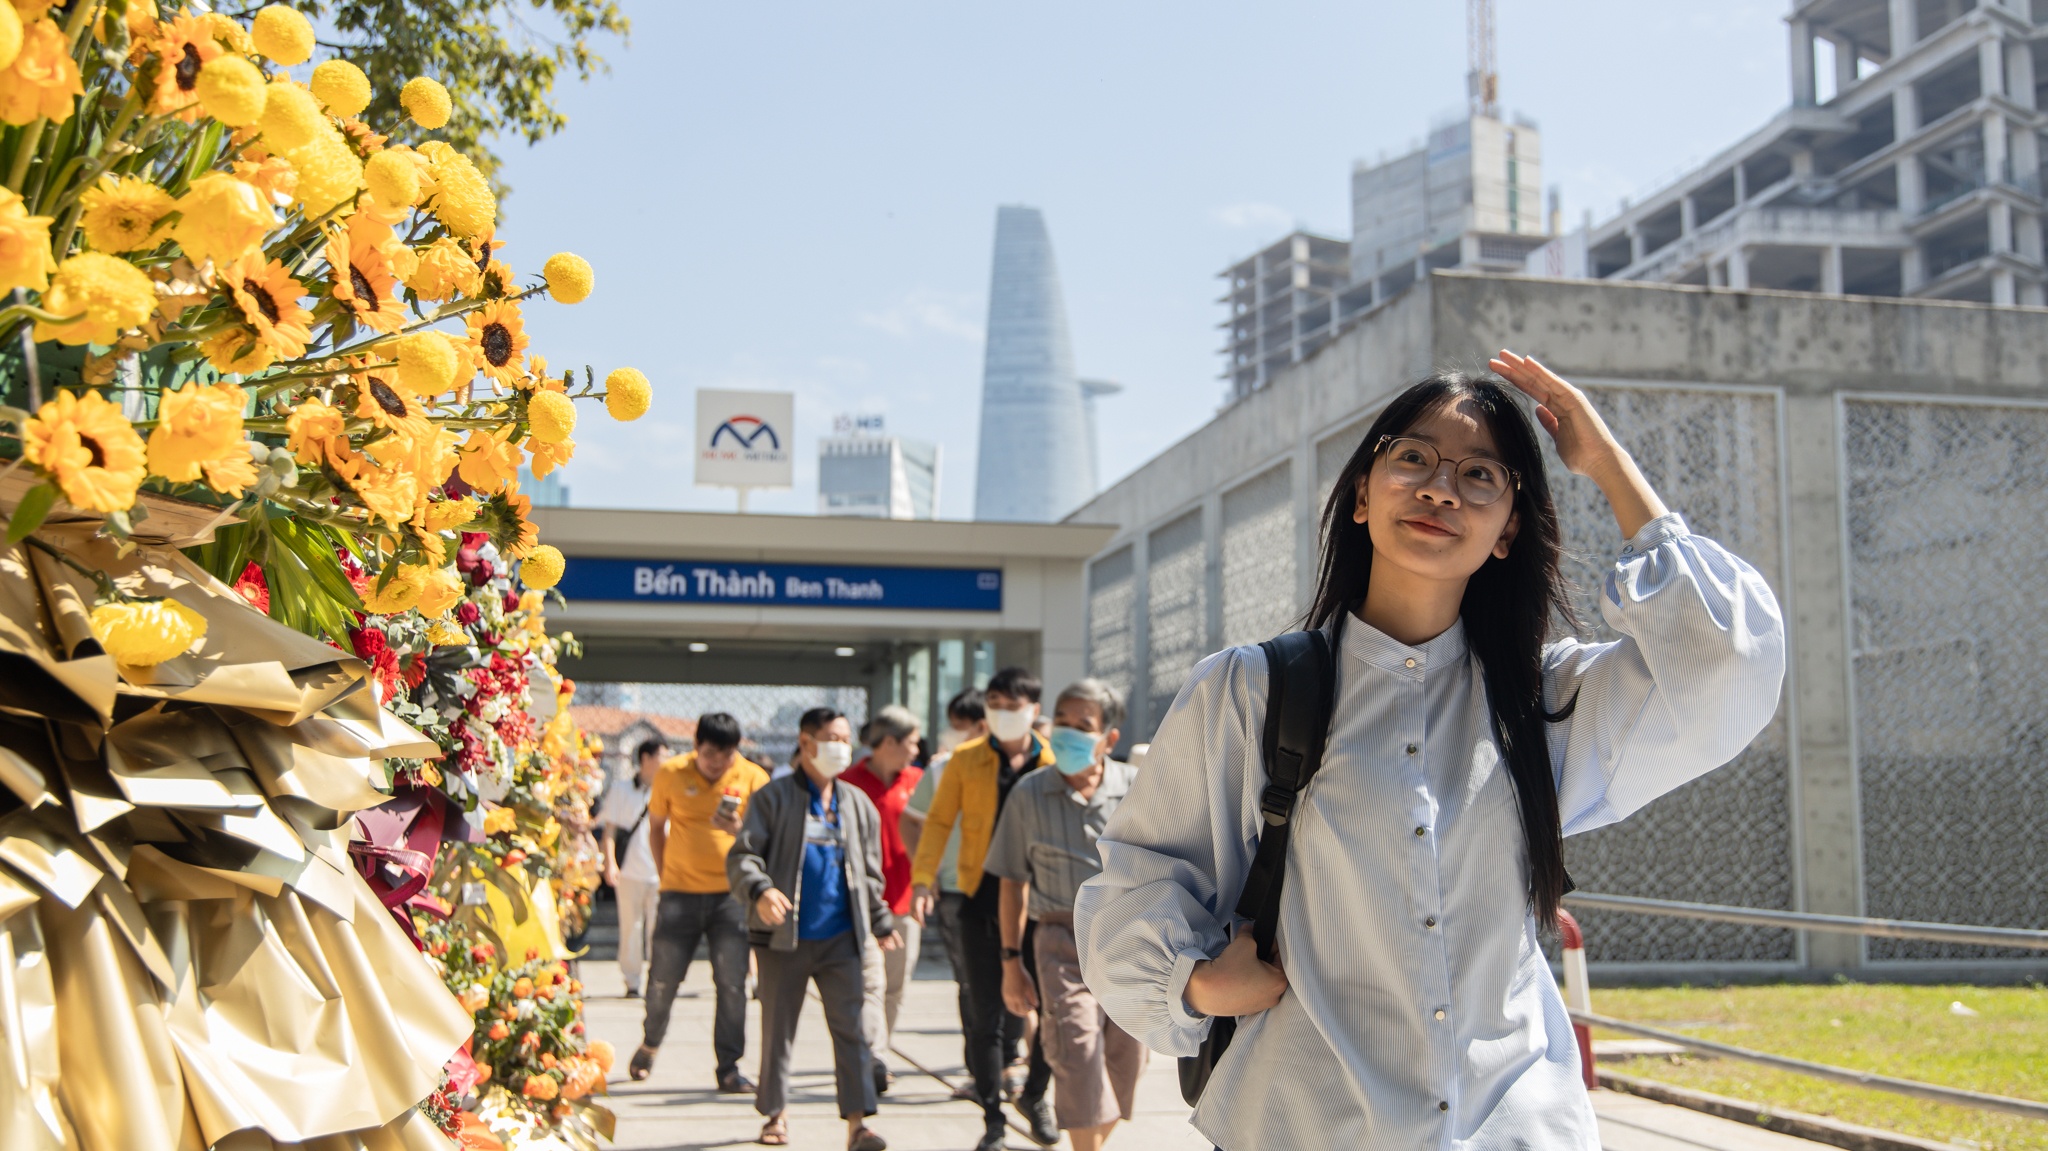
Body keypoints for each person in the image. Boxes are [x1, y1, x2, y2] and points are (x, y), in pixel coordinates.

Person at [1076, 357, 1787, 1149]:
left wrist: (1607, 464)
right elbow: (1140, 875)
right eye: (1412, 457)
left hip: (1517, 1125)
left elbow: (1725, 663)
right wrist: (1197, 982)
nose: (1441, 488)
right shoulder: (1253, 689)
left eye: (1480, 474)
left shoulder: (1544, 700)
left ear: (1510, 528)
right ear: (1359, 492)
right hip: (1313, 1121)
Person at [729, 707, 901, 1151]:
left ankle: (858, 1124)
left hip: (843, 937)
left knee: (855, 1030)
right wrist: (762, 891)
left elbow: (869, 872)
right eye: (832, 737)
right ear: (806, 743)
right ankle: (775, 1115)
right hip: (784, 938)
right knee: (778, 1030)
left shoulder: (856, 804)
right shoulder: (773, 798)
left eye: (846, 738)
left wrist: (879, 920)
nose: (841, 747)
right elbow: (743, 856)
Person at [987, 679, 1144, 1151]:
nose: (1070, 734)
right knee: (1075, 1051)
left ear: (1109, 738)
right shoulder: (1028, 794)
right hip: (1059, 941)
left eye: (1085, 726)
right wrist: (1011, 963)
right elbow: (1012, 882)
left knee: (1125, 1061)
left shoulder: (1136, 789)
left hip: (1128, 942)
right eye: (1064, 722)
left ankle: (1090, 1140)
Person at [909, 669, 1060, 1150]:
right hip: (978, 898)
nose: (1001, 711)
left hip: (1042, 902)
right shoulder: (966, 760)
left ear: (1034, 709)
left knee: (1048, 1008)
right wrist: (922, 879)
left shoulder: (1055, 762)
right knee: (984, 1010)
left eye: (1012, 703)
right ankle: (993, 1119)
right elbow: (937, 823)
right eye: (994, 702)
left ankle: (1034, 1094)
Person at [630, 713, 769, 1092]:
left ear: (736, 752)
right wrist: (665, 876)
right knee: (663, 978)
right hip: (679, 895)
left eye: (725, 756)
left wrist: (739, 831)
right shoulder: (671, 773)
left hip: (732, 897)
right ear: (695, 746)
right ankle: (650, 1043)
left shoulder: (754, 778)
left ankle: (729, 1066)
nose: (716, 763)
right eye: (709, 754)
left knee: (732, 984)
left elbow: (765, 839)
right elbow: (656, 828)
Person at [903, 688, 989, 1104]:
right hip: (957, 891)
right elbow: (916, 821)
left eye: (960, 724)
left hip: (1009, 886)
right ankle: (981, 1070)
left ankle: (1006, 1063)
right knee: (971, 984)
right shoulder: (941, 769)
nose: (953, 733)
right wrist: (927, 872)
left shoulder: (1020, 766)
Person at [843, 705, 926, 1096]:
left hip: (905, 904)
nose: (915, 750)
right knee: (868, 985)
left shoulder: (919, 781)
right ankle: (872, 1055)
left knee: (894, 986)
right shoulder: (847, 782)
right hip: (858, 905)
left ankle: (880, 1054)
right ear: (888, 742)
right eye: (911, 742)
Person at [598, 738, 665, 998]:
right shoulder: (621, 789)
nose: (666, 760)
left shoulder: (667, 788)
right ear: (646, 758)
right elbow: (610, 830)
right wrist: (610, 863)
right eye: (662, 755)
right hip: (628, 872)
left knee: (658, 931)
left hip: (660, 872)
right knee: (631, 928)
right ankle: (632, 981)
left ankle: (657, 980)